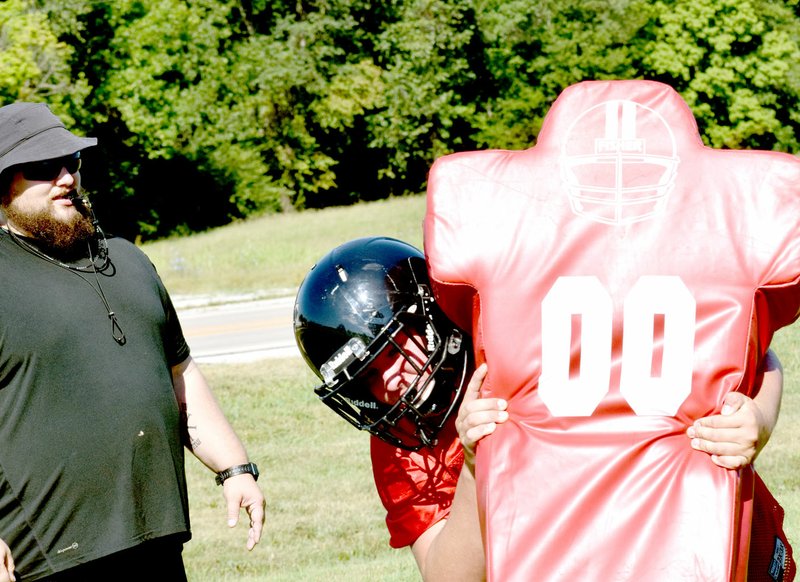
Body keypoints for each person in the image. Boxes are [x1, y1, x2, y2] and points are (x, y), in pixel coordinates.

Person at [423, 79, 800, 580]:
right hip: (694, 539)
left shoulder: (498, 234)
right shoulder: (736, 218)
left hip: (554, 538)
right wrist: (762, 413)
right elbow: (762, 357)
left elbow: (754, 360)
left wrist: (757, 418)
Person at [293, 236, 791, 581]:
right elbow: (450, 578)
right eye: (369, 378)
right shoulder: (398, 448)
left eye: (395, 350)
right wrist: (472, 466)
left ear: (431, 312)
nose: (392, 381)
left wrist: (759, 419)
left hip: (709, 543)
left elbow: (754, 351)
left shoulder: (518, 333)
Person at [0, 102, 266, 582]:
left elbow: (179, 373)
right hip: (45, 556)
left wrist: (234, 467)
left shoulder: (126, 260)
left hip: (154, 538)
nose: (66, 178)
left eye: (72, 163)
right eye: (43, 167)